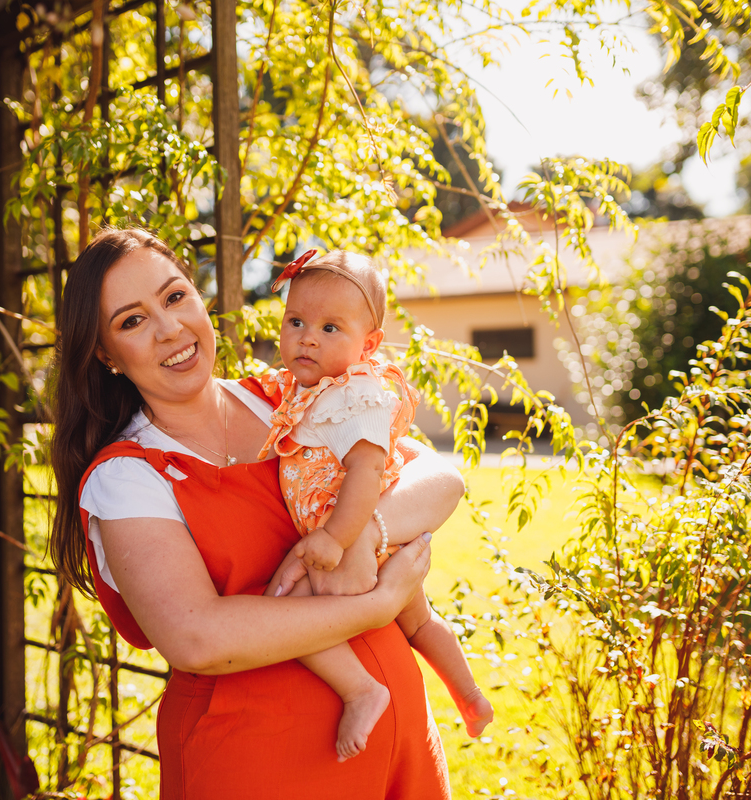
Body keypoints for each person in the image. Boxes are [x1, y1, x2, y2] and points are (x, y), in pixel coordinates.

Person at [47, 228, 466, 799]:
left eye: (174, 298)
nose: (169, 328)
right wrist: (380, 603)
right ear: (104, 354)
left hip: (401, 754)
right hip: (262, 766)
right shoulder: (129, 476)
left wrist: (367, 532)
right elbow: (199, 639)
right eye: (131, 321)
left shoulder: (293, 395)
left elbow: (440, 479)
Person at [256, 249, 494, 761]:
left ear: (369, 344)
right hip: (371, 535)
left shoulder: (354, 395)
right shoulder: (311, 388)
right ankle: (468, 695)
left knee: (289, 615)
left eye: (329, 327)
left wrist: (335, 538)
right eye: (295, 321)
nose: (308, 337)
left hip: (348, 536)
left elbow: (366, 474)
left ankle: (361, 690)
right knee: (420, 623)